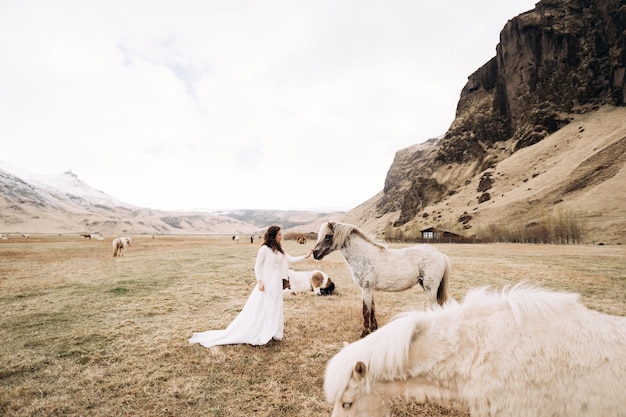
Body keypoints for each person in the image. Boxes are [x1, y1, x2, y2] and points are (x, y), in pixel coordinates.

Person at [189, 225, 313, 347]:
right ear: (273, 236)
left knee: (275, 306)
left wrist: (305, 256)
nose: (281, 237)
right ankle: (260, 330)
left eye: (281, 234)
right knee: (262, 306)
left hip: (277, 282)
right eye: (279, 234)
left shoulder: (280, 249)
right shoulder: (264, 249)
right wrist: (260, 281)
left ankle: (273, 331)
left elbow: (290, 259)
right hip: (267, 282)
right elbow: (257, 266)